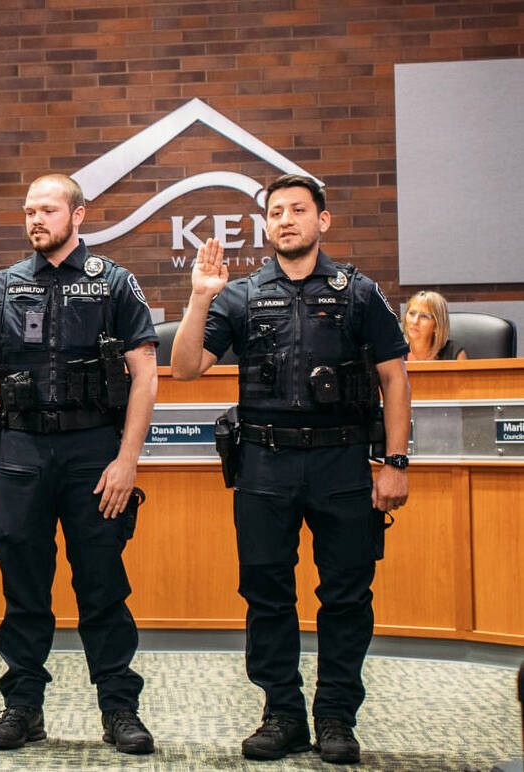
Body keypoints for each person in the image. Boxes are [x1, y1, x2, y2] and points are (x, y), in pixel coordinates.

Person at [170, 174, 411, 764]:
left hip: (342, 464)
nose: (286, 220)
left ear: (321, 220)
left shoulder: (358, 292)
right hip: (264, 465)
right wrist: (201, 296)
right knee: (267, 596)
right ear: (267, 225)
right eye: (275, 212)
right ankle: (282, 713)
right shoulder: (242, 295)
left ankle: (334, 717)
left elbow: (394, 378)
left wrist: (396, 462)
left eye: (298, 210)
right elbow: (183, 368)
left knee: (346, 596)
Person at [0, 174, 159, 755]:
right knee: (22, 587)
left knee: (102, 585)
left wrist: (127, 461)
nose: (35, 219)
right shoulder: (5, 284)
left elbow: (146, 376)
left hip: (93, 450)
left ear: (79, 215)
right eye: (28, 211)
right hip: (21, 451)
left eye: (47, 210)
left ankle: (119, 708)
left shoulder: (114, 282)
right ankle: (23, 706)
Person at [402, 290, 467, 361]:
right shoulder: (394, 352)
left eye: (424, 316)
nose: (415, 321)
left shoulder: (453, 352)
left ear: (437, 325)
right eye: (412, 313)